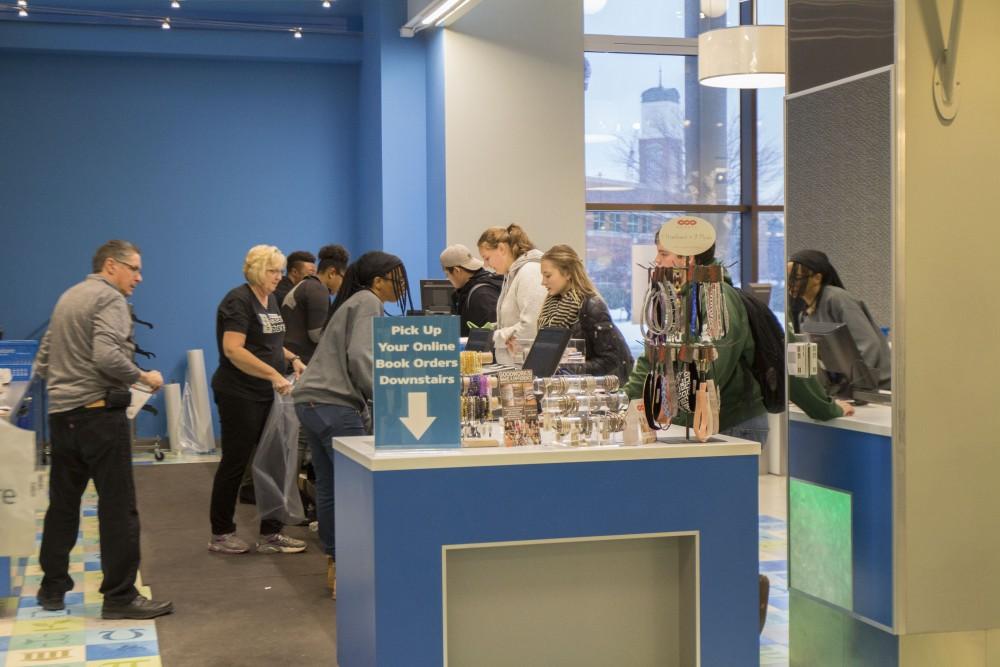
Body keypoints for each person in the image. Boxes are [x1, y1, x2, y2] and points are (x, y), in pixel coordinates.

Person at [34, 240, 173, 619]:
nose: (139, 278)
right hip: (98, 417)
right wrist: (144, 376)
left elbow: (43, 360)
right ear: (111, 266)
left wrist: (68, 386)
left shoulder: (68, 297)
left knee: (63, 506)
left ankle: (52, 589)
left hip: (63, 418)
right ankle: (120, 597)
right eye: (135, 269)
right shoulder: (110, 299)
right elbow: (107, 355)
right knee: (118, 508)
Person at [293, 251, 413, 598]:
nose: (402, 286)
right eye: (397, 279)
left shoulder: (351, 302)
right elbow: (362, 356)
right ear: (378, 281)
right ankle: (358, 575)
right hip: (334, 405)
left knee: (332, 489)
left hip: (310, 403)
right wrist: (389, 397)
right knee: (358, 492)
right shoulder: (367, 302)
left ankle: (338, 570)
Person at [208, 245, 308, 555]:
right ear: (254, 270)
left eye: (280, 270)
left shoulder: (272, 300)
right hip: (239, 393)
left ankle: (271, 533)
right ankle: (222, 533)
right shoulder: (238, 301)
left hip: (268, 394)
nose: (278, 277)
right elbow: (234, 349)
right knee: (236, 463)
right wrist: (273, 375)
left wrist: (292, 359)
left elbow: (270, 344)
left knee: (275, 461)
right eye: (272, 271)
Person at [787, 249, 891, 389]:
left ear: (817, 278)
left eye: (796, 277)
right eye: (788, 277)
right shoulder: (803, 315)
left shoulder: (836, 298)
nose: (790, 283)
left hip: (876, 389)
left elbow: (869, 345)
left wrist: (856, 384)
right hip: (844, 390)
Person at [538, 244, 633, 382]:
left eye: (548, 275)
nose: (543, 282)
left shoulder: (592, 306)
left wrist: (569, 367)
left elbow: (611, 359)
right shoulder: (550, 306)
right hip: (564, 387)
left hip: (592, 392)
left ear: (568, 273)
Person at [477, 224, 547, 365]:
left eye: (487, 258)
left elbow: (531, 326)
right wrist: (494, 329)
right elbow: (514, 321)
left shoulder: (530, 272)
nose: (485, 265)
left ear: (502, 249)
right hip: (514, 368)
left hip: (525, 370)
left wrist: (496, 336)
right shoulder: (513, 275)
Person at [282, 245, 349, 364]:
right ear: (332, 273)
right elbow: (317, 335)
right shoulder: (318, 290)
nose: (342, 285)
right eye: (343, 278)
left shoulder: (308, 285)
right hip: (297, 365)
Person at [439, 243, 503, 336]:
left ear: (457, 271)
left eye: (447, 274)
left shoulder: (481, 295)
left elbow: (492, 336)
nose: (447, 279)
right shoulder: (474, 290)